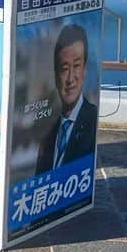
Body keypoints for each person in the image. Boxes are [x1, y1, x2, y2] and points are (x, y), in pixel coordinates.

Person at [35, 24, 98, 174]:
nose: (70, 79)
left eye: (76, 66)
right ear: (56, 74)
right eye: (64, 68)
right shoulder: (48, 134)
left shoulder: (92, 121)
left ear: (85, 69)